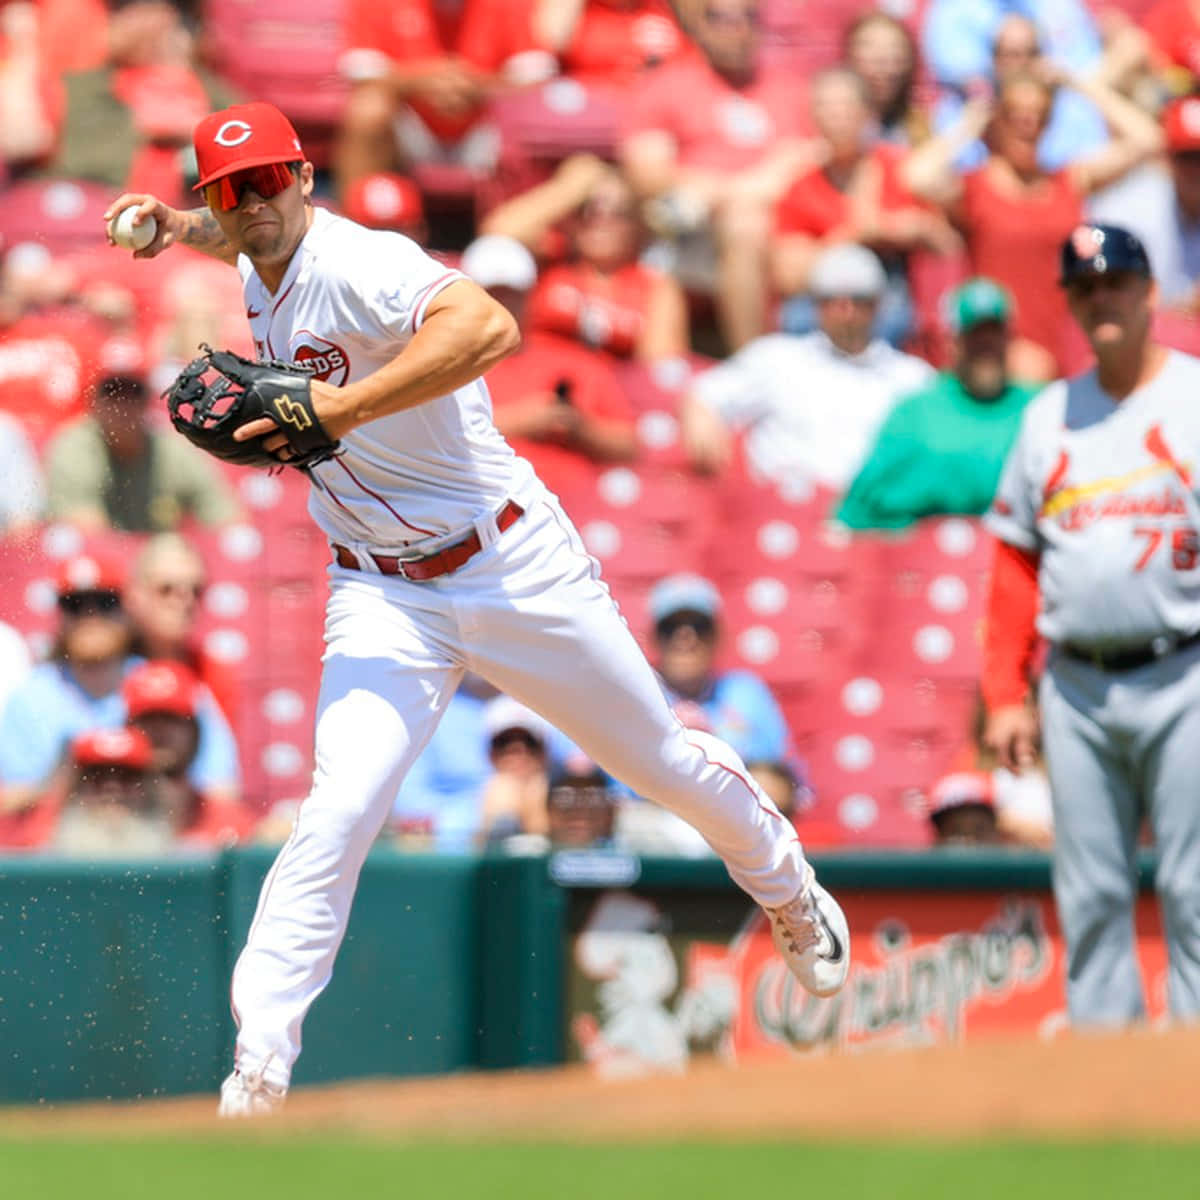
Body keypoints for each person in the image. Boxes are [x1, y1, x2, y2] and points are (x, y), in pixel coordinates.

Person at [105, 99, 849, 1116]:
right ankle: (260, 1072)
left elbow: (487, 326)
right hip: (378, 589)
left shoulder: (359, 264)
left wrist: (335, 409)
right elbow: (229, 240)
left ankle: (786, 887)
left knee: (657, 762)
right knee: (339, 809)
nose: (255, 203)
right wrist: (170, 227)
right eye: (232, 190)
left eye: (270, 179)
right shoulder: (248, 249)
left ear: (306, 179)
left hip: (507, 562)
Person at [982, 222, 1200, 1028]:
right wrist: (1004, 693)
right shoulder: (1048, 418)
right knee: (1094, 893)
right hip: (1073, 683)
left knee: (1194, 887)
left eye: (1114, 282)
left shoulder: (1192, 399)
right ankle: (1106, 1087)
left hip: (1185, 669)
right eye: (1084, 287)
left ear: (1148, 293)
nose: (1100, 297)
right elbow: (1014, 566)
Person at [902, 65, 1165, 380]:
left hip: (1068, 344)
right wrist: (971, 123)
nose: (1028, 125)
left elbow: (1148, 138)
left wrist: (1079, 84)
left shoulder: (1068, 180)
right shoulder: (975, 187)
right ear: (998, 119)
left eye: (1040, 116)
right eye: (1015, 114)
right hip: (1003, 353)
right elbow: (916, 176)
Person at [618, 0, 814, 352]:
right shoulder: (668, 84)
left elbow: (812, 157)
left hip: (784, 224)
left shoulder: (790, 89)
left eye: (748, 18)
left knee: (825, 257)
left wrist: (737, 191)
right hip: (695, 228)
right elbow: (647, 174)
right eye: (724, 19)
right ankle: (753, 364)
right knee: (745, 224)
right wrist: (746, 190)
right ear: (701, 26)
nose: (738, 30)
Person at [681, 243, 934, 490]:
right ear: (816, 305)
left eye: (859, 300)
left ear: (878, 304)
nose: (846, 311)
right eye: (832, 299)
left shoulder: (912, 377)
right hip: (786, 509)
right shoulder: (777, 358)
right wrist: (701, 420)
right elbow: (706, 394)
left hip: (872, 513)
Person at [771, 66, 959, 349]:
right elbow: (789, 275)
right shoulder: (801, 184)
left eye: (845, 106)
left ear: (868, 113)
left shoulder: (899, 168)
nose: (836, 116)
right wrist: (857, 236)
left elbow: (949, 246)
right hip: (822, 305)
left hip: (893, 300)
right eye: (826, 106)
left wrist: (916, 228)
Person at [836, 277, 1040, 530]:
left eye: (994, 335)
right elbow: (860, 512)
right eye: (975, 337)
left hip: (1013, 555)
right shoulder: (915, 412)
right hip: (931, 559)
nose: (986, 348)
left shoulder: (1039, 408)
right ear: (952, 342)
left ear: (1010, 340)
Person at [480, 154, 691, 363]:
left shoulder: (656, 286)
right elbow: (497, 236)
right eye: (585, 210)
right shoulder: (550, 260)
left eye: (617, 212)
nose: (600, 219)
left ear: (638, 225)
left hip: (609, 392)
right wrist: (568, 190)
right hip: (537, 381)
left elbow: (659, 369)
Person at [44, 335, 243, 533]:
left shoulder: (170, 448)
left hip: (157, 558)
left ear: (148, 400)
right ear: (93, 401)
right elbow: (86, 533)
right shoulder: (75, 447)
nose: (122, 405)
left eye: (133, 392)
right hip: (104, 562)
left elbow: (227, 518)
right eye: (111, 392)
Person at [125, 532, 239, 723]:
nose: (185, 601)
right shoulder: (108, 670)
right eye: (167, 589)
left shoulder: (213, 675)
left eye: (195, 590)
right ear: (135, 595)